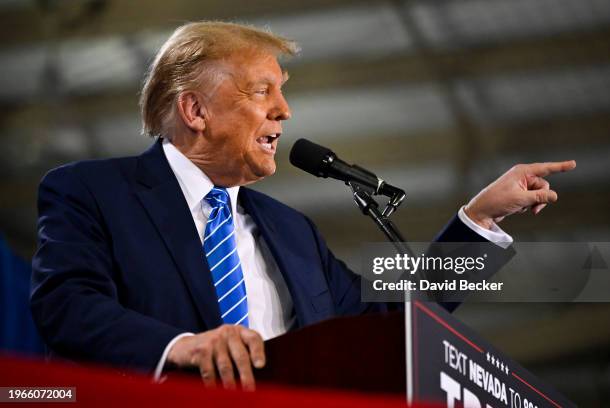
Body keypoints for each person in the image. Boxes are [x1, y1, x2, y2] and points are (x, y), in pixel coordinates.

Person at [30, 21, 576, 391]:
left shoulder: (292, 232)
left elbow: (387, 324)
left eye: (282, 92)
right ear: (195, 110)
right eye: (262, 91)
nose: (285, 111)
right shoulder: (92, 192)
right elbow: (67, 306)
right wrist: (183, 347)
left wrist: (477, 222)